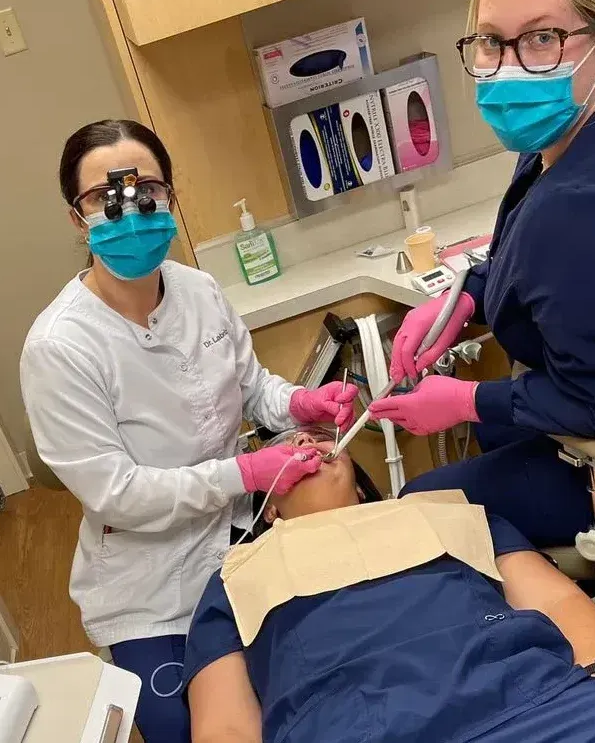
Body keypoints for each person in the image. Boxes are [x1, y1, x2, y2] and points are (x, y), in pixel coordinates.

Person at [19, 119, 358, 743]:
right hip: (149, 587)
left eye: (146, 187)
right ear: (77, 216)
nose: (130, 209)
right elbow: (117, 493)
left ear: (171, 196)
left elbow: (252, 387)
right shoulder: (61, 347)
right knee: (190, 730)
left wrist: (302, 402)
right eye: (105, 197)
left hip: (242, 537)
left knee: (308, 700)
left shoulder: (199, 290)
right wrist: (248, 472)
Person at [371, 0, 595, 548]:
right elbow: (533, 259)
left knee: (421, 511)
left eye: (542, 39)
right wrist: (464, 299)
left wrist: (465, 400)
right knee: (495, 441)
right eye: (491, 40)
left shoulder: (582, 209)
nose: (507, 68)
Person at [183, 432, 595, 743]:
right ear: (269, 508)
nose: (305, 446)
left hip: (536, 705)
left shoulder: (449, 513)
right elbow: (224, 725)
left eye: (315, 436)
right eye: (285, 450)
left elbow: (554, 599)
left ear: (358, 481)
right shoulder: (234, 576)